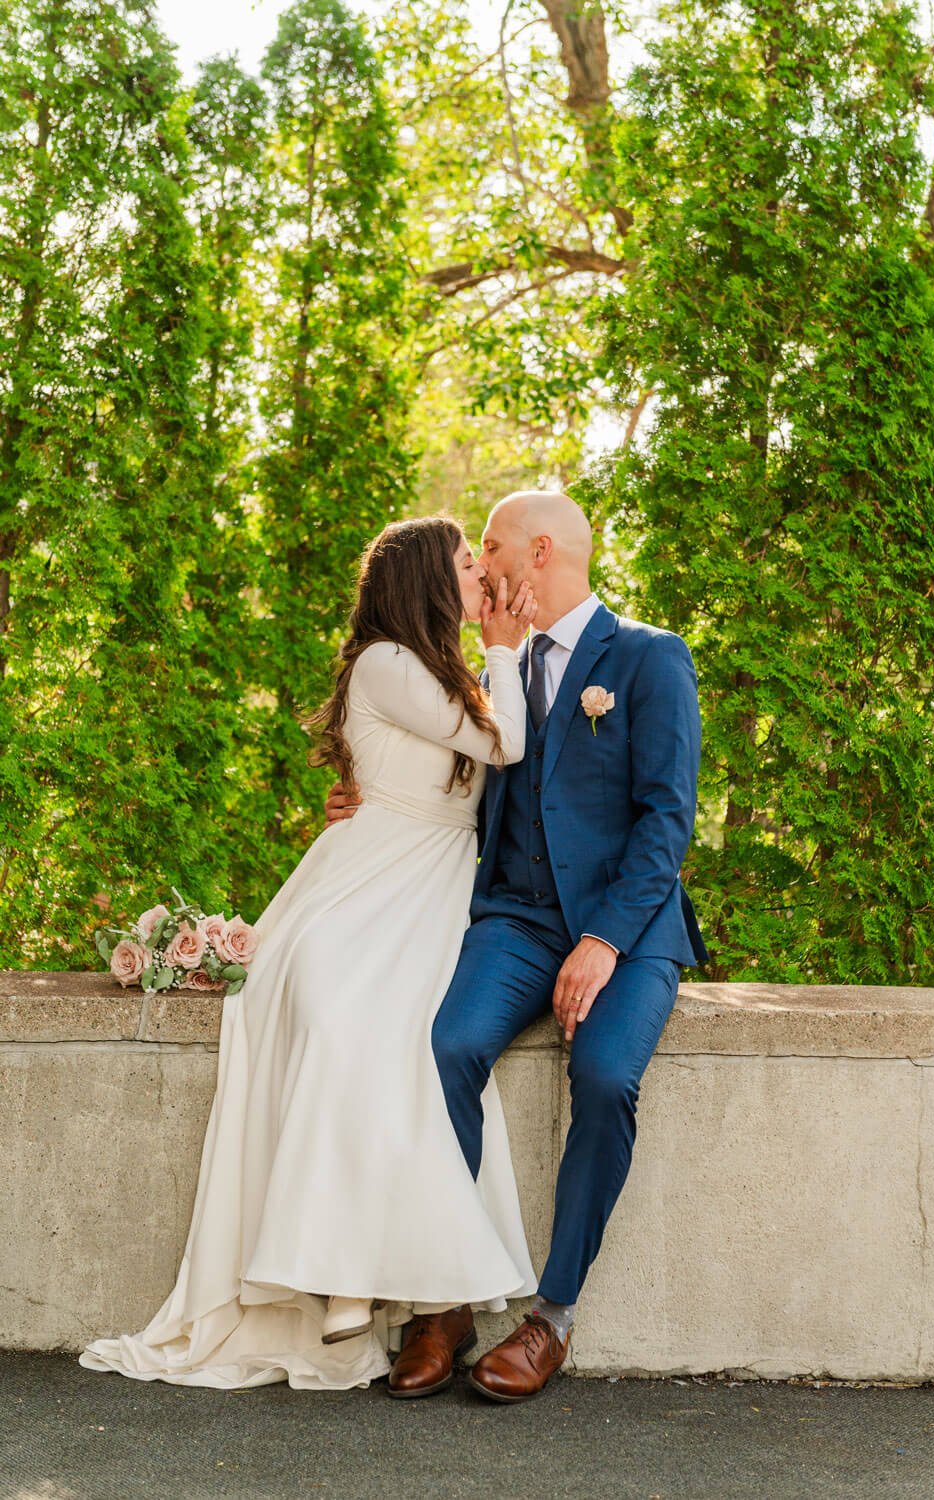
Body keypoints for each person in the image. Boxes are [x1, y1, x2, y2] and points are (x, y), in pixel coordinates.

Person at [80, 516, 539, 1392]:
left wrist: (499, 655)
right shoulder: (388, 664)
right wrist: (507, 648)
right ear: (426, 583)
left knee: (404, 1036)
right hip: (367, 879)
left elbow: (485, 758)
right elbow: (502, 743)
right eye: (465, 562)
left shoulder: (454, 673)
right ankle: (336, 1274)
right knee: (338, 1015)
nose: (479, 571)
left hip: (429, 884)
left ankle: (365, 1275)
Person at [326, 490, 707, 1401]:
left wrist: (608, 939)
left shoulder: (649, 657)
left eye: (490, 545)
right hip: (516, 918)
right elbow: (436, 771)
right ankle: (448, 1303)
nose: (481, 563)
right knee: (448, 1047)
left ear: (538, 553)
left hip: (627, 929)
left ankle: (552, 1317)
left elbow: (668, 817)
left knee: (607, 1078)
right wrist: (362, 807)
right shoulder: (487, 665)